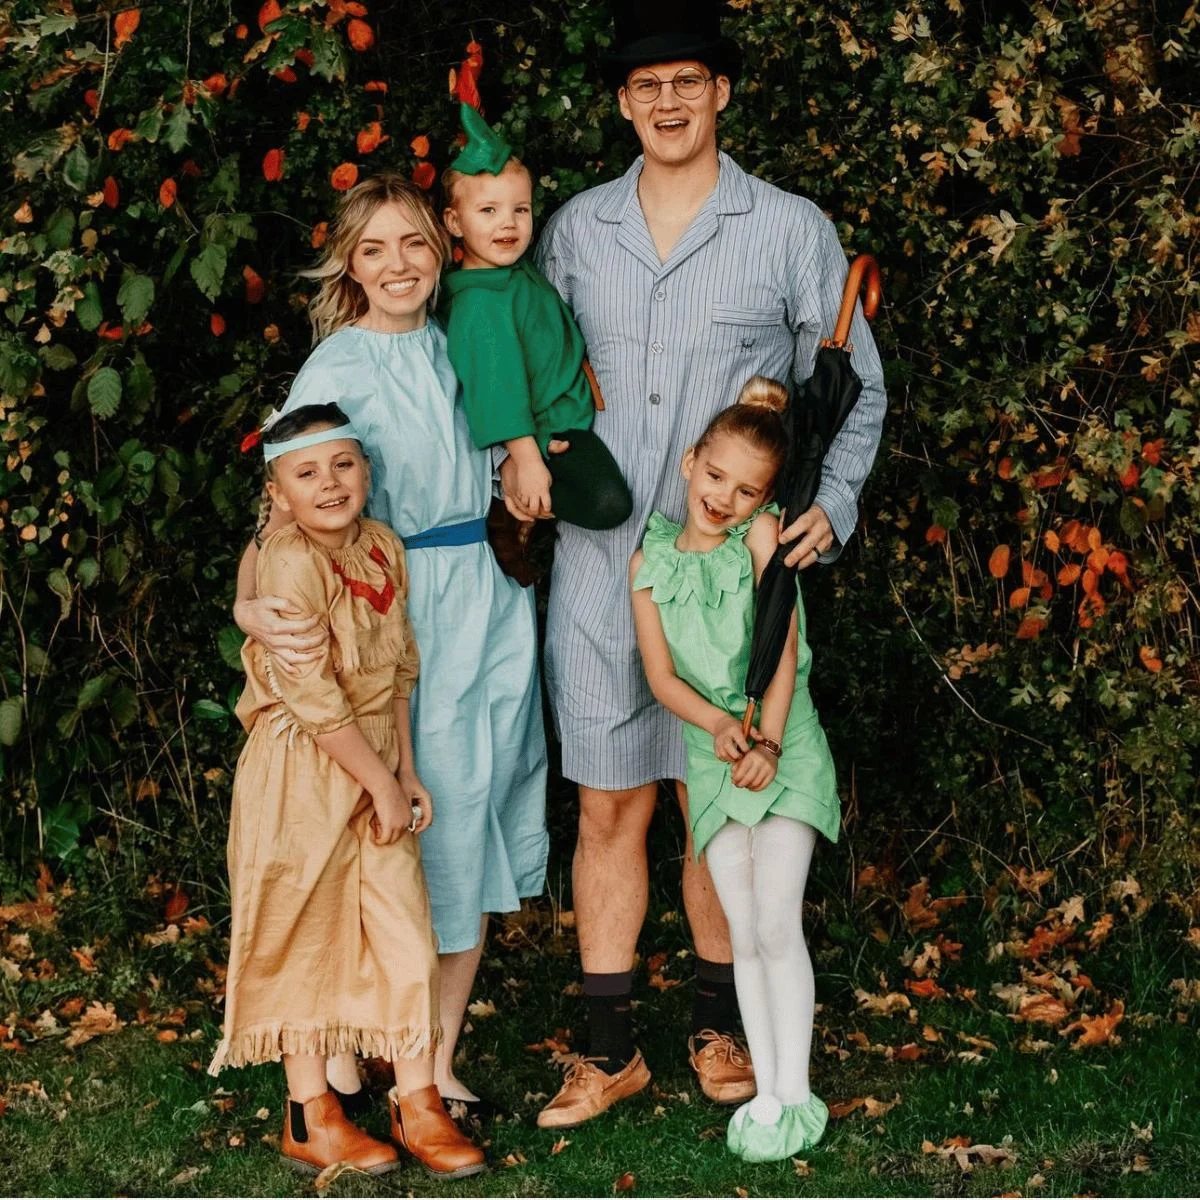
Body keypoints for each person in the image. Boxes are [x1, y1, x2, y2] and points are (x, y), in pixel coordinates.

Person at [520, 0, 885, 1128]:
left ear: (723, 91)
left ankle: (722, 1030)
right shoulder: (577, 230)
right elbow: (524, 372)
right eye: (645, 85)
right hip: (598, 566)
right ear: (623, 102)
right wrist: (517, 460)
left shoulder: (787, 227)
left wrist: (831, 503)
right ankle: (609, 1047)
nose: (667, 102)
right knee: (609, 807)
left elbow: (853, 382)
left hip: (729, 580)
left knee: (711, 799)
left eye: (688, 80)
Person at [232, 175, 548, 1123]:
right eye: (375, 249)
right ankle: (346, 1056)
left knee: (482, 808)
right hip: (393, 607)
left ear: (442, 248)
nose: (398, 265)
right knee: (412, 820)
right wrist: (252, 604)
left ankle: (434, 1060)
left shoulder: (471, 343)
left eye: (413, 243)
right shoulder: (338, 368)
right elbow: (282, 505)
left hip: (489, 593)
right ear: (349, 264)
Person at [210, 404, 485, 1179]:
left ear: (366, 471)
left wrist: (402, 771)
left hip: (373, 758)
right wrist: (376, 782)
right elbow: (313, 695)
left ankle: (417, 1097)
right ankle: (311, 1114)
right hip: (305, 765)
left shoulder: (384, 546)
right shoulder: (287, 561)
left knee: (402, 926)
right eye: (307, 472)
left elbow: (399, 663)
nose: (329, 483)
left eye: (343, 465)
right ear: (278, 494)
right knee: (306, 927)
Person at [630, 378, 839, 1161]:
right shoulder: (648, 563)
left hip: (784, 748)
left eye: (746, 488)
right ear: (689, 463)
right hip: (715, 756)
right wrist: (720, 727)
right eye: (715, 475)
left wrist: (768, 742)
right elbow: (661, 678)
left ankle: (794, 1087)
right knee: (744, 932)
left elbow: (780, 649)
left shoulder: (761, 541)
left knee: (778, 921)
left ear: (765, 499)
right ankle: (767, 1094)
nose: (724, 496)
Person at [440, 102, 632, 530]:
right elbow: (497, 387)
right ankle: (512, 509)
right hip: (549, 434)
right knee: (609, 504)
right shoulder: (480, 305)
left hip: (570, 417)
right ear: (454, 222)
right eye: (487, 211)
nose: (508, 224)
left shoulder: (508, 270)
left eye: (519, 210)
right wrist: (524, 461)